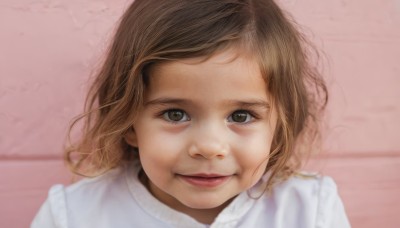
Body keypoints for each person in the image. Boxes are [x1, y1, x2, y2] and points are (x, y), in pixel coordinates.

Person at [31, 0, 351, 227]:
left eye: (241, 116)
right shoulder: (75, 216)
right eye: (175, 114)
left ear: (278, 125)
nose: (210, 146)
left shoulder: (309, 212)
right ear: (128, 119)